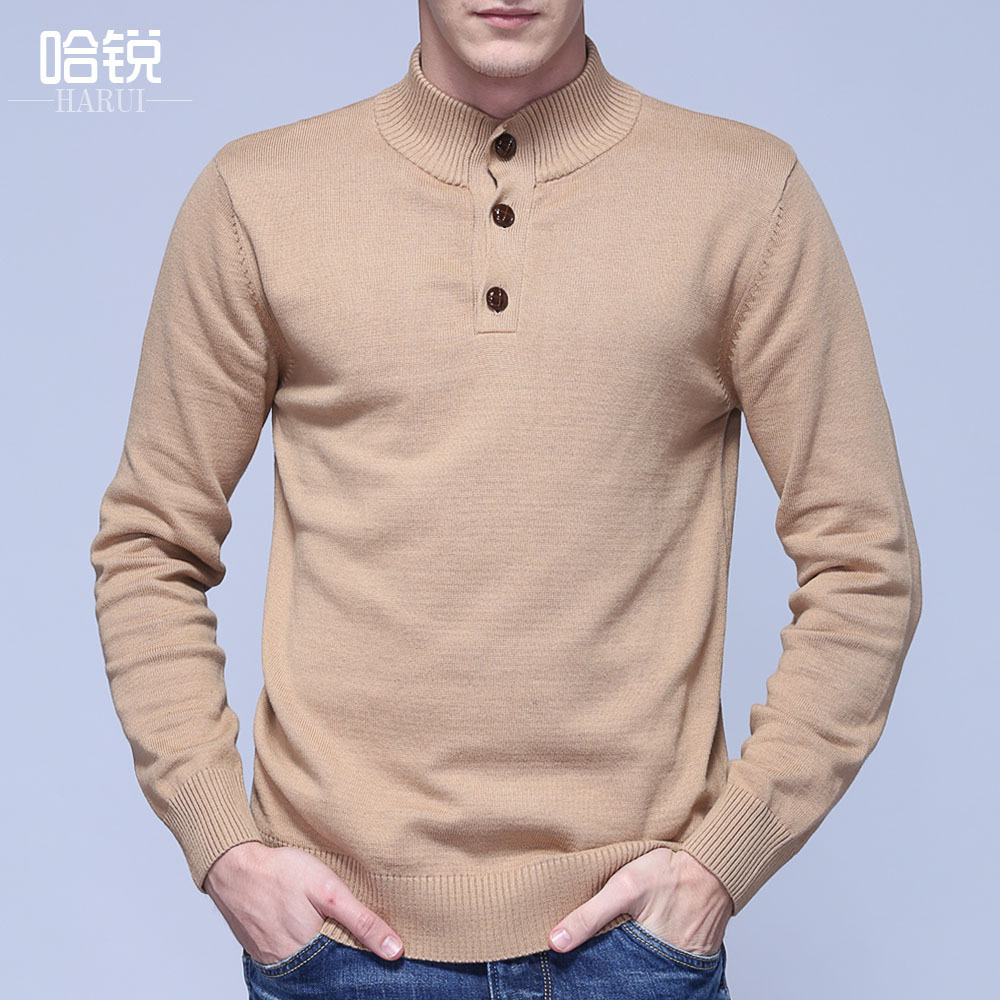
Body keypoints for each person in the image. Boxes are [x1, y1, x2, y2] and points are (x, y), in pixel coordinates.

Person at [89, 1, 922, 997]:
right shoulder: (256, 197)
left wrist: (724, 859)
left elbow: (864, 561)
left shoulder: (745, 194)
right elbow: (148, 544)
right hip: (338, 949)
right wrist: (224, 844)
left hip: (636, 952)